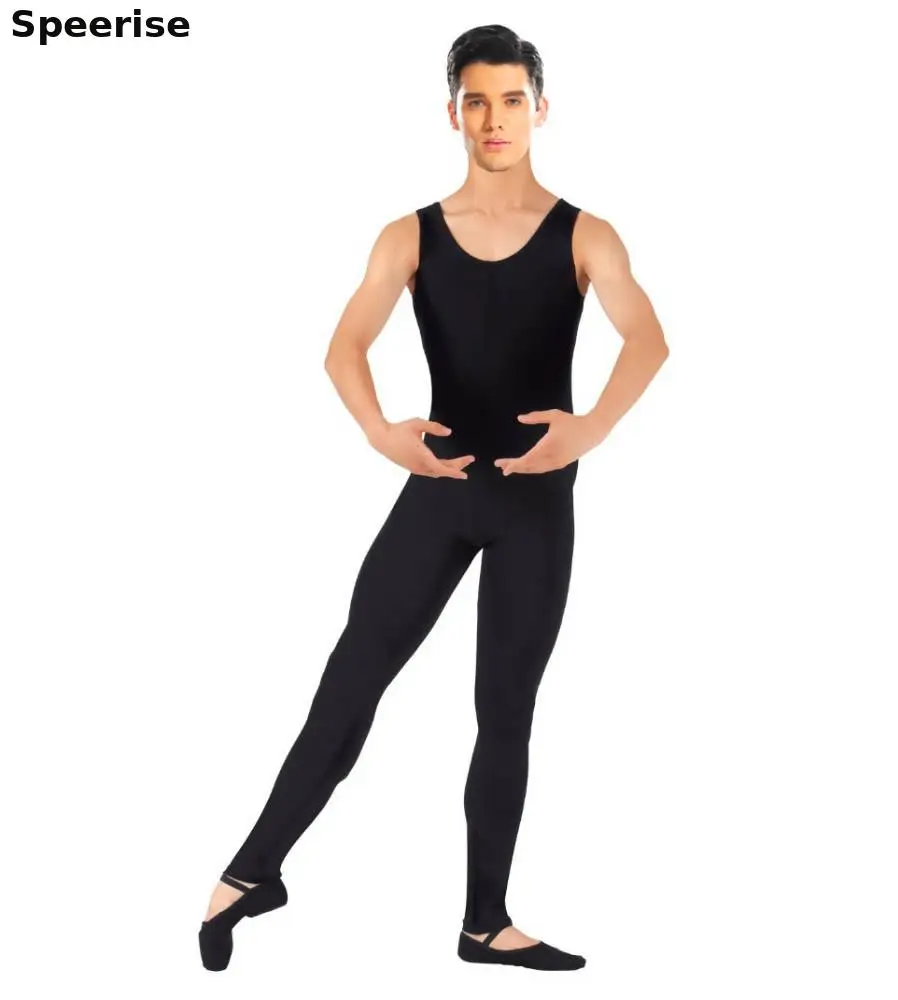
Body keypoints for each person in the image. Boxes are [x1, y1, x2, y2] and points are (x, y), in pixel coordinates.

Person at [199, 23, 669, 973]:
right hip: (440, 488)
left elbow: (648, 340)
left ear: (541, 109)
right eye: (476, 100)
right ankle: (250, 873)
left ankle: (484, 922)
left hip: (535, 498)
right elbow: (343, 348)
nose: (495, 118)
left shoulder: (587, 235)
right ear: (452, 112)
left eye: (512, 100)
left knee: (504, 709)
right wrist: (382, 433)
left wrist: (590, 428)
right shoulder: (409, 235)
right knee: (349, 683)